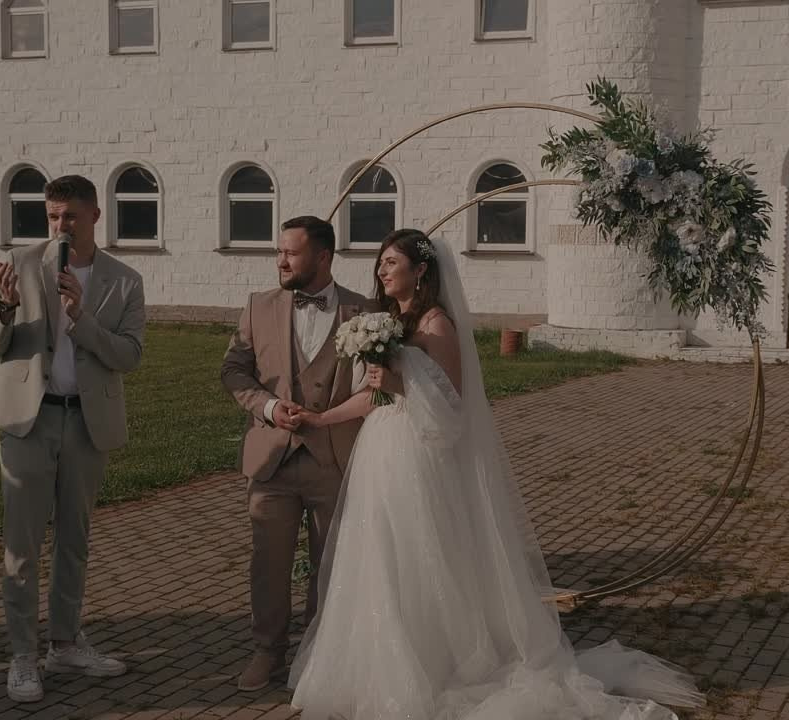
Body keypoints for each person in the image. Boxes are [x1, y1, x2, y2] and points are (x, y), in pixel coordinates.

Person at [288, 228, 706, 719]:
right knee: (378, 552)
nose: (382, 270)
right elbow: (371, 394)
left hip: (418, 455)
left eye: (392, 262)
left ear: (420, 270)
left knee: (421, 554)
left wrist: (399, 379)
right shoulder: (386, 322)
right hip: (380, 450)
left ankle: (433, 665)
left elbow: (452, 407)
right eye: (380, 262)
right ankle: (374, 666)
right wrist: (322, 417)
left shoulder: (437, 324)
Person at [0, 174, 145, 702]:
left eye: (70, 215)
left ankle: (66, 643)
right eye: (52, 216)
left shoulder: (125, 280)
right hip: (30, 420)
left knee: (75, 540)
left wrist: (83, 318)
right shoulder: (22, 266)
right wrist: (3, 310)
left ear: (96, 215)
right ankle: (24, 656)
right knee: (21, 546)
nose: (60, 226)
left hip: (87, 422)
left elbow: (129, 356)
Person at [220, 215, 377, 691]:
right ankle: (267, 652)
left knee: (331, 564)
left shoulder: (364, 312)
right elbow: (234, 371)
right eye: (280, 251)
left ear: (323, 257)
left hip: (335, 458)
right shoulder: (258, 306)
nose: (280, 260)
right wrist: (268, 407)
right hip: (273, 460)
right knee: (267, 562)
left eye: (290, 252)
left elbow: (378, 385)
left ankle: (318, 654)